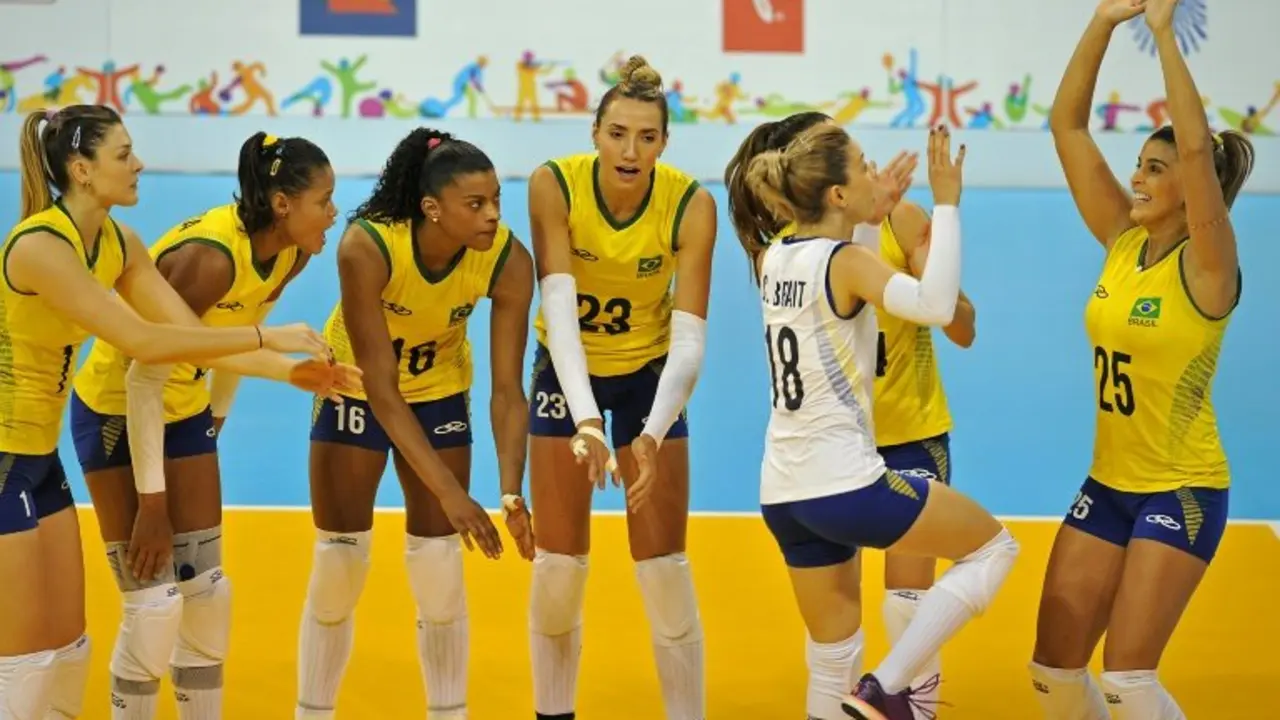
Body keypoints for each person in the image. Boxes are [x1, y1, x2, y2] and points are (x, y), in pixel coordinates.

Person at [0, 106, 330, 720]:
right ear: (81, 170)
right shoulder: (41, 246)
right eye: (123, 154)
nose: (139, 163)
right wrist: (267, 338)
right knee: (28, 659)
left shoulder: (118, 243)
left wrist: (290, 370)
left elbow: (186, 338)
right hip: (7, 456)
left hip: (40, 460)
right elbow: (145, 346)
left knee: (68, 650)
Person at [67, 130, 361, 720]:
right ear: (282, 205)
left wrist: (216, 419)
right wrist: (154, 505)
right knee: (153, 609)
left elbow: (236, 333)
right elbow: (142, 380)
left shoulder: (292, 252)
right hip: (116, 411)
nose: (334, 213)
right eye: (323, 200)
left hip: (184, 407)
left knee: (207, 594)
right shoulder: (209, 259)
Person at [734, 121, 1019, 720]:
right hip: (845, 482)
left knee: (830, 657)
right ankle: (886, 686)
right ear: (836, 194)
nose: (876, 173)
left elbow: (832, 258)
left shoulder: (773, 257)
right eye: (863, 166)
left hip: (783, 493)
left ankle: (864, 689)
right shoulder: (848, 262)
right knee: (994, 548)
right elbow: (938, 306)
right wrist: (946, 205)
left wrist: (872, 211)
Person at [1032, 0, 1254, 717]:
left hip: (1182, 491)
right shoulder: (1123, 242)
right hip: (1110, 483)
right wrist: (1102, 21)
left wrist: (1162, 31)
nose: (1137, 177)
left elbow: (1197, 151)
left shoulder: (1208, 266)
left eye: (1154, 169)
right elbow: (1066, 126)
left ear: (1195, 191)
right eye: (1137, 164)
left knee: (1128, 682)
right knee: (1053, 674)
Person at [297, 127, 535, 720]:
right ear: (431, 209)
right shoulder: (367, 246)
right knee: (340, 563)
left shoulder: (508, 260)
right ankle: (312, 711)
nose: (492, 217)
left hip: (439, 393)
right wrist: (452, 492)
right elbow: (380, 384)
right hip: (354, 386)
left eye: (497, 201)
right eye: (475, 205)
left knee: (440, 570)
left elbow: (507, 392)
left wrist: (510, 492)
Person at [525, 54, 717, 720]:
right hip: (566, 367)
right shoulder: (554, 185)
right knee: (558, 567)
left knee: (664, 569)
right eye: (617, 134)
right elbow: (558, 315)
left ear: (664, 143)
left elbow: (690, 342)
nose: (631, 150)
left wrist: (653, 433)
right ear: (594, 132)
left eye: (647, 137)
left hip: (649, 375)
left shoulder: (691, 204)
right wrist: (585, 422)